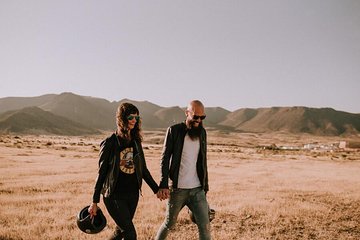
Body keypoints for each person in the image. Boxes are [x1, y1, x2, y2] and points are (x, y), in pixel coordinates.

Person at [88, 102, 159, 240]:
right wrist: (94, 201)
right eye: (131, 117)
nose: (134, 120)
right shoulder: (110, 143)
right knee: (131, 234)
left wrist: (156, 189)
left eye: (137, 118)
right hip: (114, 196)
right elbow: (101, 173)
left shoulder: (136, 142)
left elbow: (143, 169)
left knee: (120, 231)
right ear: (122, 118)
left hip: (132, 195)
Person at [155, 100, 211, 240]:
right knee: (169, 224)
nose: (198, 120)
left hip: (197, 190)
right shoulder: (174, 131)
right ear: (187, 113)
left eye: (202, 117)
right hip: (177, 190)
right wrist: (163, 184)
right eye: (195, 116)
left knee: (205, 226)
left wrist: (205, 187)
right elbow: (165, 158)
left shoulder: (202, 133)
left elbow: (203, 161)